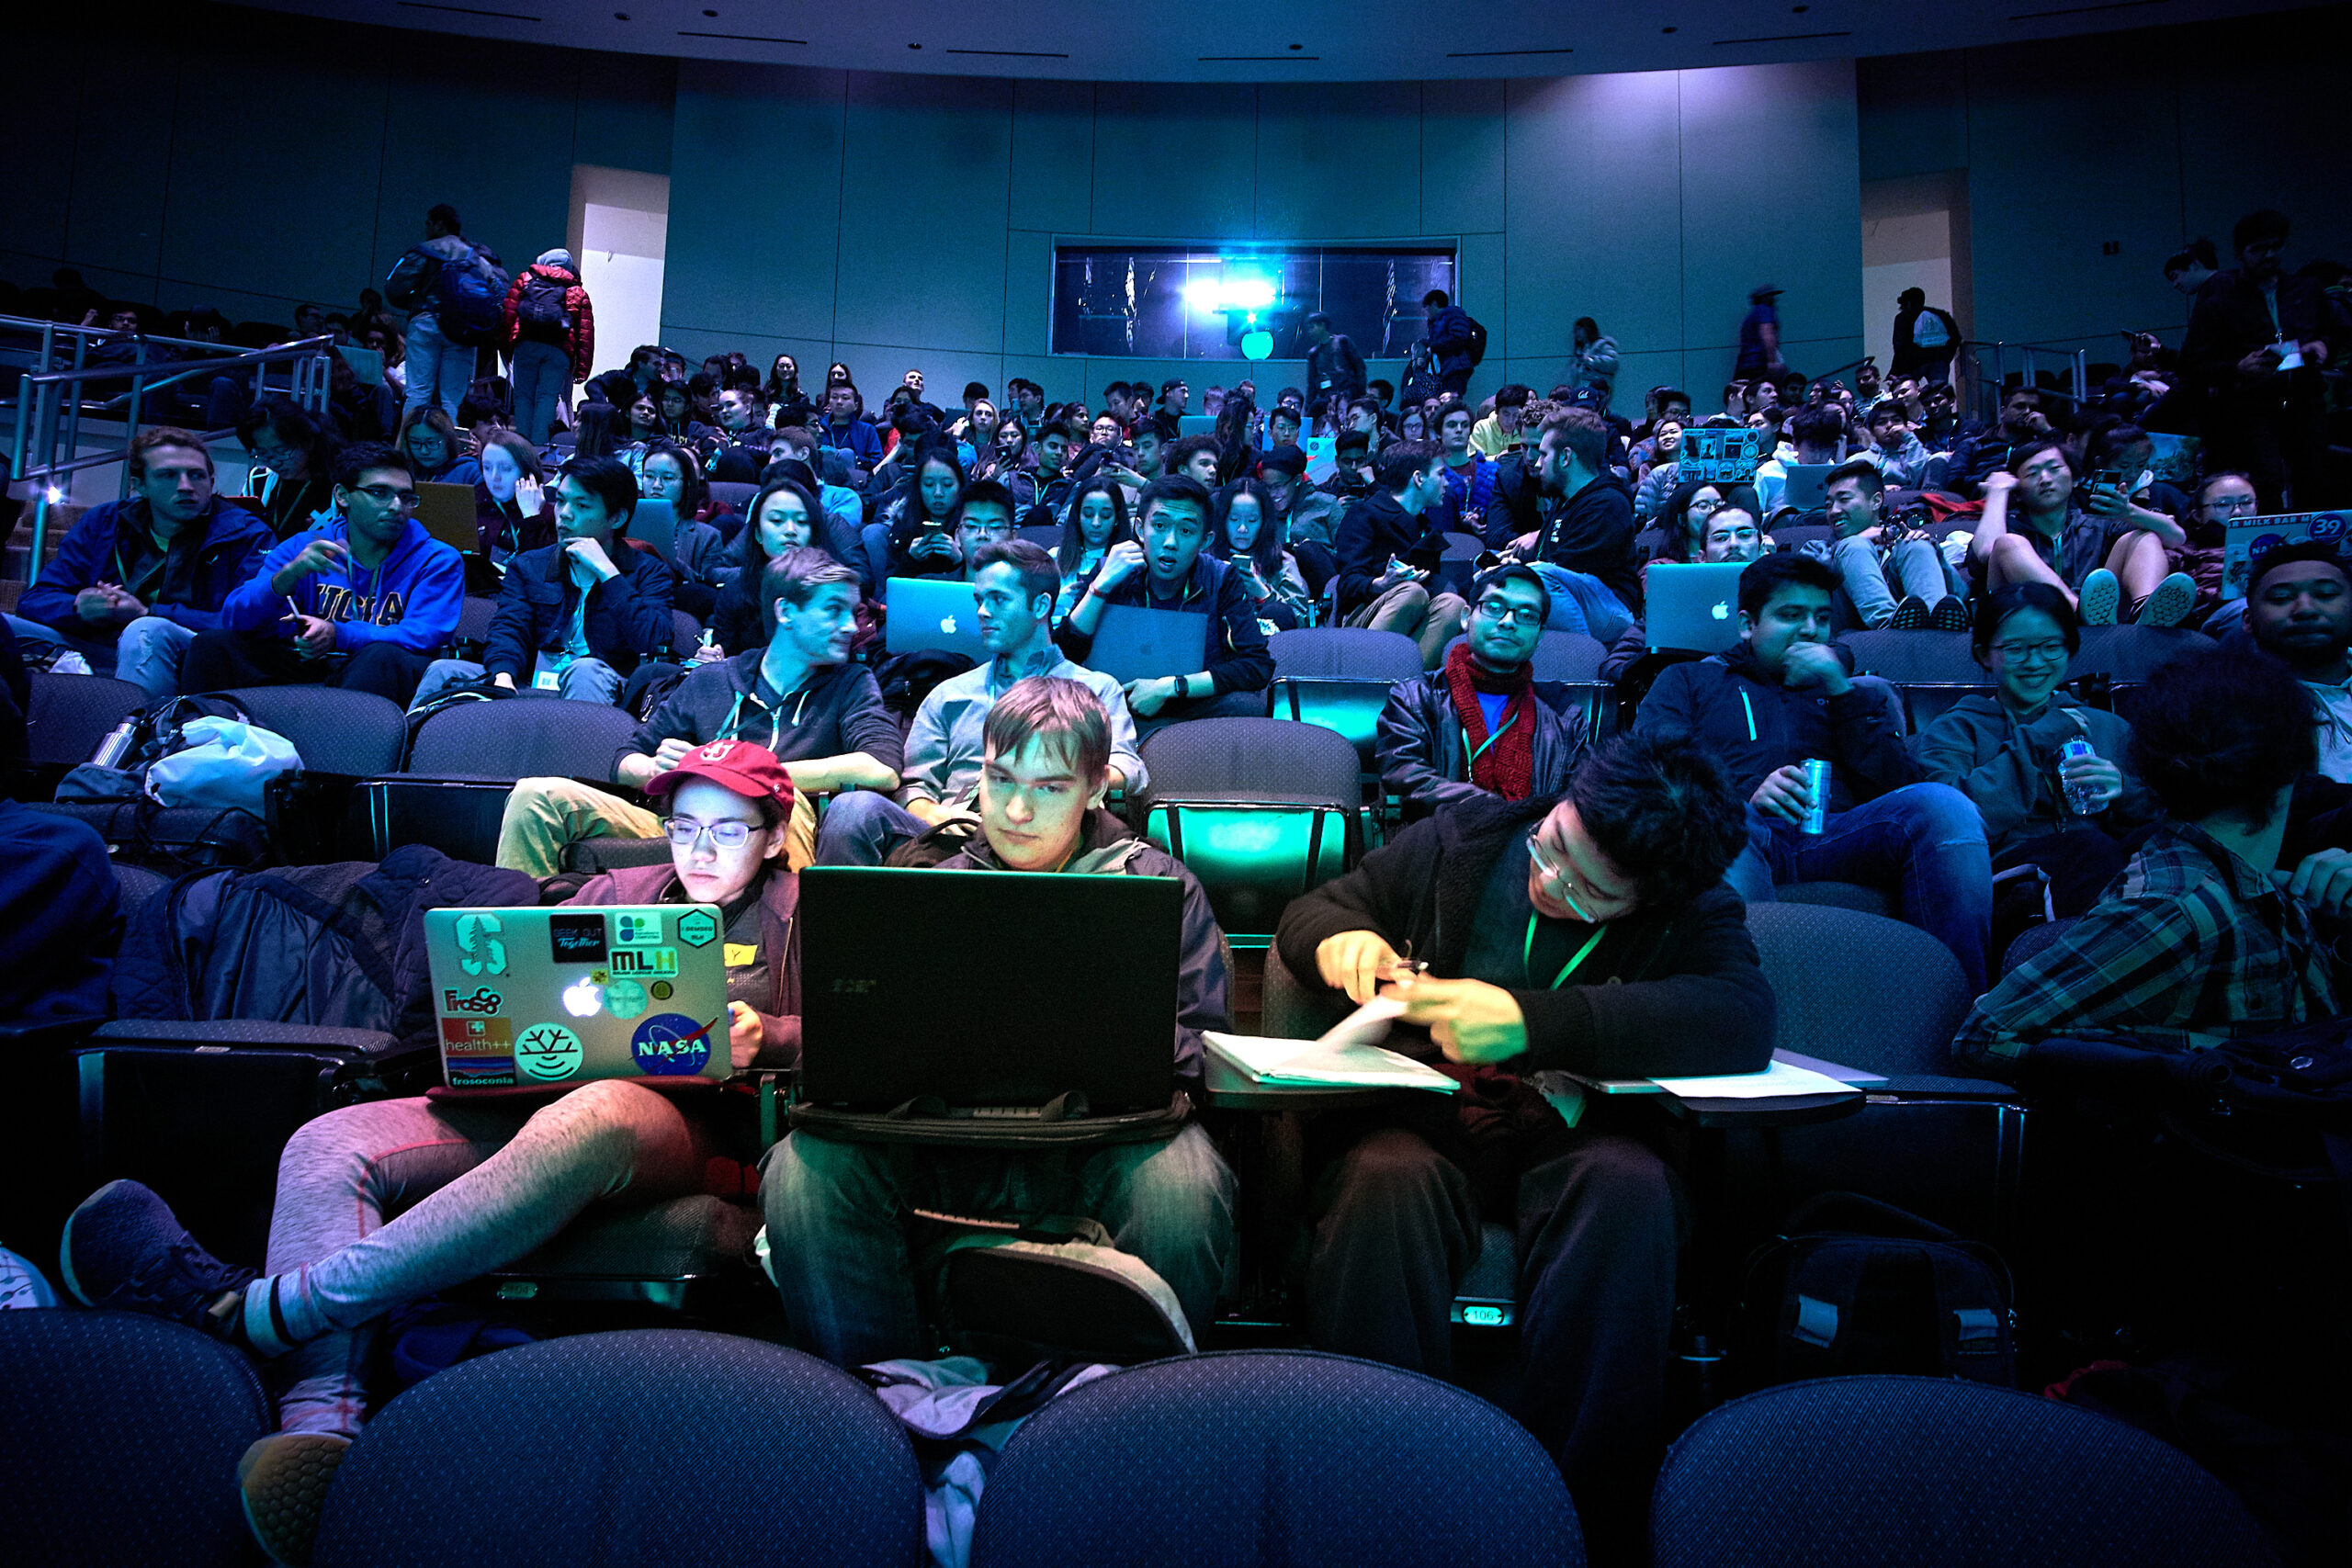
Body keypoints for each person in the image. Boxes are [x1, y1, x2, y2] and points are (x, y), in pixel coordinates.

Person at [58, 739, 811, 1563]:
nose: (699, 851)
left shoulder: (806, 912)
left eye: (728, 831)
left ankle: (262, 1310)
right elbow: (528, 1000)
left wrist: (769, 1035)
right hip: (541, 1095)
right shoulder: (612, 891)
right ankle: (319, 1435)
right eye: (683, 826)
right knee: (331, 1138)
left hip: (693, 1127)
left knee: (592, 1113)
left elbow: (857, 1036)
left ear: (774, 834)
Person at [1278, 732, 1767, 1559]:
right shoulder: (1467, 841)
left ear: (1647, 897)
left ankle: (1577, 1511)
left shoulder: (1694, 906)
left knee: (1627, 1189)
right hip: (1427, 1125)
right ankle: (1377, 1488)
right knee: (1380, 1177)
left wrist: (1530, 1022)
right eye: (1556, 846)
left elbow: (1739, 1016)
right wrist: (1341, 941)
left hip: (1578, 1141)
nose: (1550, 880)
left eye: (1588, 891)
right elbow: (1315, 909)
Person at [763, 675, 1237, 1366]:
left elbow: (1200, 1044)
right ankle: (877, 1400)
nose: (1016, 808)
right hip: (937, 1133)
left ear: (1095, 786)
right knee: (805, 1171)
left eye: (1050, 787)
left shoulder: (1158, 886)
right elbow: (856, 1029)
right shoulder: (920, 879)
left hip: (1098, 1141)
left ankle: (1141, 1410)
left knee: (1183, 1184)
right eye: (999, 778)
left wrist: (1083, 1014)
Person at [1950, 651, 2351, 1355]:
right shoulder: (2178, 904)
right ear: (2293, 772)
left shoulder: (2261, 886)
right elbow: (1986, 1033)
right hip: (2227, 1225)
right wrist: (2216, 1062)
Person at [1635, 553, 1994, 991]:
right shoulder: (1688, 680)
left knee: (1944, 807)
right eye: (1790, 615)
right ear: (1748, 624)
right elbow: (1654, 768)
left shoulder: (1853, 695)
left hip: (1836, 836)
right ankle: (1741, 1006)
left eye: (1822, 618)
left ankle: (1964, 1006)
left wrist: (1842, 691)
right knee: (1720, 822)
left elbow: (1900, 785)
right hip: (1738, 830)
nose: (1809, 630)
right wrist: (1742, 794)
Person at [496, 548, 899, 876]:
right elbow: (623, 761)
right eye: (833, 611)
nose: (851, 626)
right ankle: (524, 950)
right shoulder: (714, 680)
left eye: (853, 612)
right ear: (785, 611)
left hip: (770, 826)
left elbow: (881, 768)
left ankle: (782, 961)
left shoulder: (851, 683)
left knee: (783, 811)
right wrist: (658, 769)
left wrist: (752, 776)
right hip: (683, 822)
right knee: (535, 796)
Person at [814, 541, 1144, 866]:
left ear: (1041, 606)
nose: (983, 611)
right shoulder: (951, 694)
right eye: (980, 600)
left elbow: (1127, 770)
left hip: (1048, 831)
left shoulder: (1094, 688)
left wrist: (1055, 781)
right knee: (851, 810)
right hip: (951, 839)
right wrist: (933, 812)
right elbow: (915, 785)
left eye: (998, 599)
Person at [1911, 584, 2157, 919]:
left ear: (2069, 649)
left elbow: (2151, 812)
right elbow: (1950, 818)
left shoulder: (2106, 725)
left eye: (2051, 646)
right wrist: (2037, 737)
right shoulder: (1956, 729)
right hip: (2000, 872)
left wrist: (2124, 789)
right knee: (2091, 849)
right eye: (2015, 649)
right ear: (1985, 655)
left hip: (2101, 860)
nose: (2035, 662)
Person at [185, 443, 463, 706]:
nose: (395, 506)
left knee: (381, 658)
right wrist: (287, 577)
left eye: (405, 497)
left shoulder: (436, 558)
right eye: (379, 493)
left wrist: (336, 634)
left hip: (378, 670)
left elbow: (424, 635)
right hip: (306, 661)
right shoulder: (304, 546)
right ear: (342, 495)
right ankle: (199, 741)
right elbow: (234, 617)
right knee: (213, 645)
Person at [8, 428, 272, 698]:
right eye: (168, 475)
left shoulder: (244, 532)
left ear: (211, 480)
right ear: (140, 485)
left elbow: (254, 621)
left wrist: (147, 613)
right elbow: (34, 600)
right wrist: (79, 606)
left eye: (196, 475)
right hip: (99, 642)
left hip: (189, 651)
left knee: (145, 631)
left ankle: (141, 734)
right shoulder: (104, 522)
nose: (185, 486)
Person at [410, 455, 673, 710]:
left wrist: (607, 573)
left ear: (617, 518)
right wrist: (502, 674)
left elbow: (656, 639)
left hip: (605, 686)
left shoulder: (648, 571)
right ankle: (410, 751)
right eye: (560, 501)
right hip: (530, 678)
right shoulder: (529, 566)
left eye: (582, 505)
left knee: (584, 670)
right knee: (443, 670)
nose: (564, 514)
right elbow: (509, 627)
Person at [1054, 474, 1273, 736]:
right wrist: (1100, 587)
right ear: (1139, 529)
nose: (1170, 542)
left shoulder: (1221, 578)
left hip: (1191, 709)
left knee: (1246, 706)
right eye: (1159, 526)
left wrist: (1171, 687)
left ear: (1205, 541)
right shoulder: (1111, 569)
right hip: (1114, 705)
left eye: (1186, 531)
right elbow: (1066, 654)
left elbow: (1257, 665)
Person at [1375, 564, 1593, 815]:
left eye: (1527, 614)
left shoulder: (1563, 716)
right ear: (1466, 617)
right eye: (1494, 607)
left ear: (1540, 635)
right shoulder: (1415, 698)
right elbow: (1405, 777)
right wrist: (1503, 812)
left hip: (1532, 848)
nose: (1508, 622)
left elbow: (1578, 800)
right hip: (1437, 843)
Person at [2181, 209, 2346, 512]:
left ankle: (2316, 549)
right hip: (2249, 406)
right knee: (2264, 483)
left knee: (2314, 476)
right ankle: (2268, 552)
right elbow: (2192, 363)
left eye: (2276, 247)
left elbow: (2332, 333)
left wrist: (2323, 345)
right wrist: (2237, 368)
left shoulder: (2305, 290)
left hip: (2304, 396)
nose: (2269, 255)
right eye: (2258, 249)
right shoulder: (2219, 299)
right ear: (2240, 253)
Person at [1971, 443, 2197, 628]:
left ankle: (2145, 612)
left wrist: (2130, 511)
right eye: (2032, 473)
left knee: (2142, 536)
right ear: (2018, 490)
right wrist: (1997, 491)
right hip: (2024, 618)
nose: (2046, 479)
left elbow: (2176, 538)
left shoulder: (2096, 525)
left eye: (2054, 468)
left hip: (2102, 619)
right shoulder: (2008, 527)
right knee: (2007, 543)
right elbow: (1985, 551)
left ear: (2075, 479)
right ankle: (2078, 610)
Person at [1333, 442, 1471, 669]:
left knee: (1453, 605)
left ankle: (1407, 686)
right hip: (1361, 619)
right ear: (1418, 479)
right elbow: (1347, 583)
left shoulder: (1425, 528)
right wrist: (1381, 584)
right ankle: (1360, 676)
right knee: (1412, 593)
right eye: (1440, 474)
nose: (1446, 483)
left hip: (1411, 618)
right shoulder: (1366, 514)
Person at [1515, 408, 1639, 641]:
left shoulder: (1608, 503)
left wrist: (1520, 572)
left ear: (1565, 457)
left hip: (1613, 610)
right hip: (1574, 599)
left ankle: (1581, 657)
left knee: (1539, 577)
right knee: (1491, 572)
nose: (1536, 463)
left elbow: (1566, 570)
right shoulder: (1564, 498)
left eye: (1543, 454)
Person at [2243, 539, 2352, 783]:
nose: (2305, 609)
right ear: (2248, 620)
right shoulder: (2223, 707)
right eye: (2281, 598)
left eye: (2326, 594)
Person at [1815, 459, 1967, 632]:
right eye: (1828, 505)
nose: (1834, 511)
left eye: (1844, 500)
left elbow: (1962, 594)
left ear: (1876, 501)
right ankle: (1888, 626)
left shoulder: (1901, 540)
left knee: (1917, 546)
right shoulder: (1817, 549)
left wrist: (1935, 553)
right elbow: (1803, 588)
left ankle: (1935, 622)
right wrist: (1852, 543)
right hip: (1850, 629)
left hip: (1928, 637)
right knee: (1854, 545)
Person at [385, 204, 489, 420]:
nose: (426, 228)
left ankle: (407, 448)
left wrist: (415, 304)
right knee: (452, 398)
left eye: (428, 223)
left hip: (426, 323)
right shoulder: (477, 259)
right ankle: (447, 449)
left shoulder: (425, 250)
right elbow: (493, 293)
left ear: (439, 224)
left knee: (418, 392)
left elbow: (394, 287)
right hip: (462, 331)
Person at [500, 249, 593, 445]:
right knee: (548, 398)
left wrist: (507, 348)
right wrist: (582, 369)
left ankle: (522, 444)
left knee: (523, 396)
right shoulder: (576, 291)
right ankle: (539, 449)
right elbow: (585, 333)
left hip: (526, 344)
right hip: (558, 350)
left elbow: (508, 314)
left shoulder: (525, 279)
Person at [1214, 477, 1314, 633]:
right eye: (1234, 519)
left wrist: (1263, 594)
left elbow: (1300, 620)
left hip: (1268, 645)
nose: (1242, 528)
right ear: (1223, 520)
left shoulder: (1282, 562)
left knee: (1277, 612)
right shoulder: (1207, 559)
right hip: (1217, 641)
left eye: (1252, 520)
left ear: (1263, 522)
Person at [239, 399, 342, 541]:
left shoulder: (338, 485)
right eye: (263, 453)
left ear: (308, 442)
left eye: (282, 451)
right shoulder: (259, 480)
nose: (274, 462)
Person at [469, 430, 556, 581]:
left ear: (526, 472)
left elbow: (541, 574)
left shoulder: (549, 515)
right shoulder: (474, 502)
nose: (495, 477)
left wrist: (531, 517)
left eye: (506, 469)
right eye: (487, 467)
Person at [1051, 476, 1134, 625]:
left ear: (1116, 519)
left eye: (1105, 516)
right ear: (1077, 516)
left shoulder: (1126, 561)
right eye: (1088, 514)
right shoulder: (1053, 558)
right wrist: (1060, 599)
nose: (1096, 523)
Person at [1890, 288, 1959, 385]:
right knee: (1938, 392)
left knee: (1908, 392)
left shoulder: (1903, 318)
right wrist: (1946, 357)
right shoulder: (1941, 315)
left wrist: (1896, 370)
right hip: (1939, 360)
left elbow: (1899, 347)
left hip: (1913, 363)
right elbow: (1955, 338)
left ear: (1908, 303)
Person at [1303, 310, 1367, 414]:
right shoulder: (1313, 354)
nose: (1309, 332)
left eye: (1312, 327)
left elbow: (1359, 367)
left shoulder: (1342, 342)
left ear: (1322, 325)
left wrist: (1360, 394)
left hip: (1349, 394)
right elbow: (1311, 383)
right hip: (1326, 398)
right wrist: (1308, 407)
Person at [818, 382, 883, 478]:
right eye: (834, 397)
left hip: (856, 480)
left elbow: (876, 460)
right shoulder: (819, 428)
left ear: (855, 405)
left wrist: (854, 459)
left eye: (845, 398)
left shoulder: (867, 430)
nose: (839, 402)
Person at [1420, 289, 1477, 397]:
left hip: (1455, 367)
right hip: (1450, 368)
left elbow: (1458, 337)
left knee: (1450, 399)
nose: (1426, 314)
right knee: (1447, 398)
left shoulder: (1453, 316)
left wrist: (1433, 347)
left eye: (1426, 309)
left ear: (1434, 304)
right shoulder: (1443, 319)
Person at [1734, 285, 1785, 381]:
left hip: (1747, 363)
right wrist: (1772, 361)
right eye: (1770, 296)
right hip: (1758, 363)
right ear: (1764, 297)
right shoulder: (1764, 310)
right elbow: (1767, 334)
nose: (1773, 299)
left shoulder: (1753, 314)